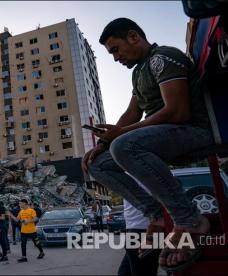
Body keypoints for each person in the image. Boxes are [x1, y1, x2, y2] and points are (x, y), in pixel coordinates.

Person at [82, 18, 213, 272]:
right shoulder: (138, 72)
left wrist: (118, 136)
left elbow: (177, 112)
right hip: (162, 137)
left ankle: (189, 219)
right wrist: (102, 144)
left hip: (192, 132)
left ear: (133, 36)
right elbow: (132, 114)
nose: (115, 57)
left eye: (116, 49)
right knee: (97, 164)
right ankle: (156, 215)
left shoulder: (162, 57)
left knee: (123, 146)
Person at [8, 199, 45, 263]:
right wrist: (11, 215)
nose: (19, 205)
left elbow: (36, 219)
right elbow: (17, 220)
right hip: (23, 231)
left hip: (32, 230)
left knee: (36, 243)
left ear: (24, 203)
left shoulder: (31, 210)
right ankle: (24, 257)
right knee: (23, 244)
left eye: (20, 203)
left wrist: (27, 221)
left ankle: (41, 252)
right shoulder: (21, 211)